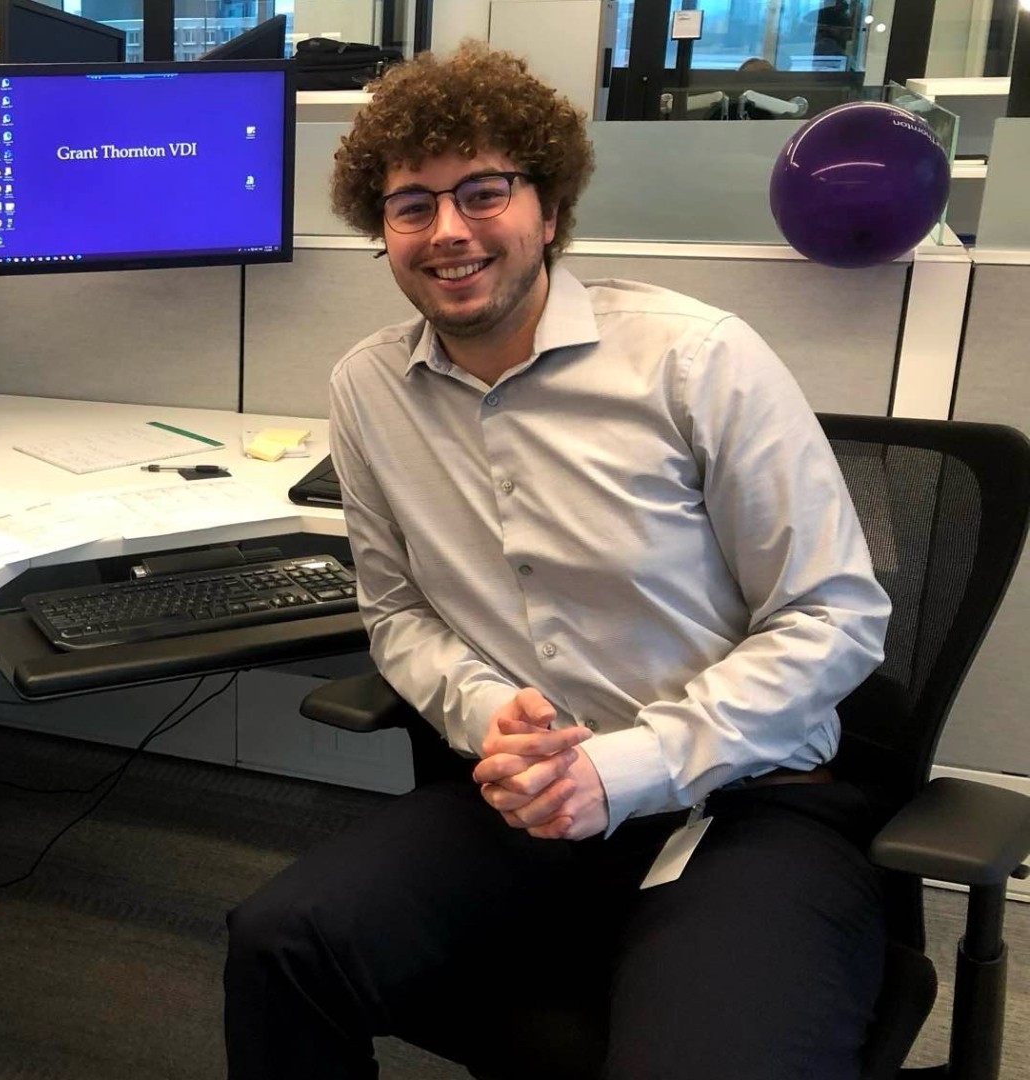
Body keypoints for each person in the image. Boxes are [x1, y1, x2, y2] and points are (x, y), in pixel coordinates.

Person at [223, 43, 892, 1080]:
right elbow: (397, 613)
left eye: (483, 191)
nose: (447, 231)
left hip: (739, 804)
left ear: (548, 203)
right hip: (520, 796)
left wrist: (625, 767)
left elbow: (834, 615)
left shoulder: (694, 360)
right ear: (381, 229)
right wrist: (486, 710)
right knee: (282, 944)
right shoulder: (366, 389)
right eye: (411, 205)